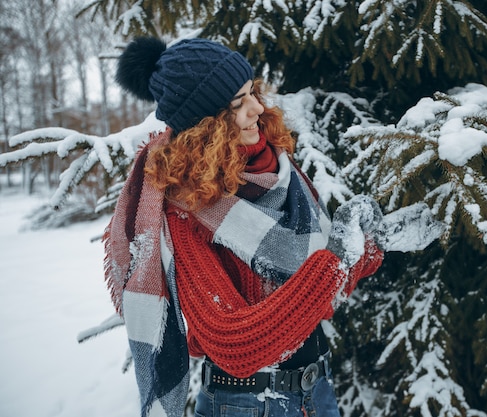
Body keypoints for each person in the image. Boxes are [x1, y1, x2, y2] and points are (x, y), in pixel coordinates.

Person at [104, 36, 384, 417]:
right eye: (238, 102)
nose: (256, 108)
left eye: (252, 91)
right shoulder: (186, 211)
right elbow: (234, 344)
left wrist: (373, 242)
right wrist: (336, 262)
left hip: (316, 391)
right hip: (246, 404)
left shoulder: (278, 172)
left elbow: (320, 289)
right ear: (206, 125)